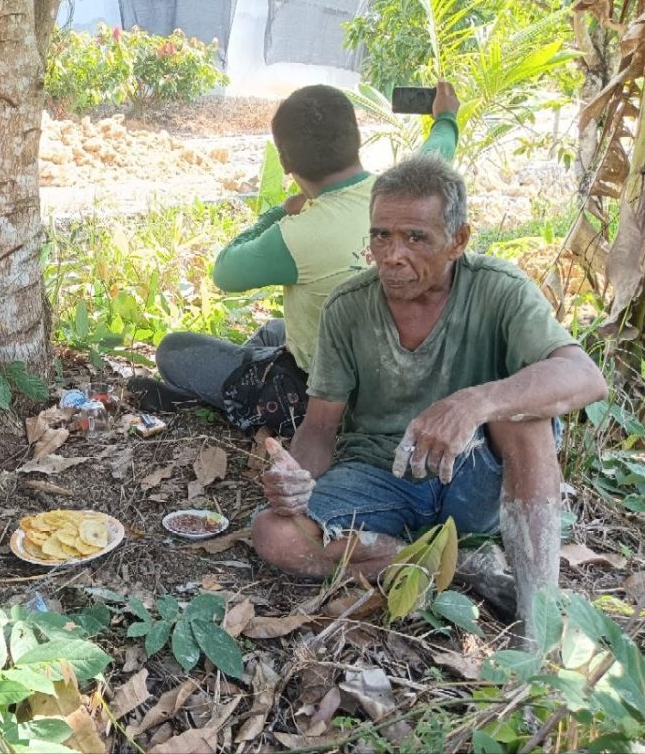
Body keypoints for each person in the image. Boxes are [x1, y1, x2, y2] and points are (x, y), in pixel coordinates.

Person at [250, 155, 607, 641]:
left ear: (457, 241)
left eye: (416, 238)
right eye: (381, 236)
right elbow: (320, 428)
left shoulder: (499, 290)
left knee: (522, 415)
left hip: (472, 476)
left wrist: (474, 403)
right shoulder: (348, 307)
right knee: (275, 533)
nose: (392, 255)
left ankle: (538, 624)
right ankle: (459, 569)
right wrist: (294, 478)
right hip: (379, 472)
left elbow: (584, 376)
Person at [127, 82, 460, 438]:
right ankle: (235, 398)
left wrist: (280, 213)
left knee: (172, 350)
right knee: (273, 330)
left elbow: (225, 272)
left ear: (285, 162)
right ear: (356, 138)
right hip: (396, 382)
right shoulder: (406, 196)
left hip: (322, 396)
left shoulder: (296, 234)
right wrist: (445, 117)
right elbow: (437, 151)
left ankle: (234, 405)